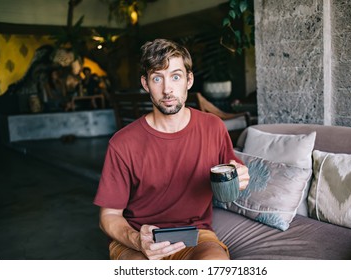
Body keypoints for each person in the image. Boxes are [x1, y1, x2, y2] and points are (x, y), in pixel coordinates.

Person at [93, 38, 250, 260]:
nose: (167, 89)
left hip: (195, 236)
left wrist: (241, 177)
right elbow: (108, 215)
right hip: (138, 237)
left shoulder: (213, 127)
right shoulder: (122, 143)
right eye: (157, 78)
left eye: (175, 76)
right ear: (146, 84)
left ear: (189, 80)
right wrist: (138, 240)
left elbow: (232, 171)